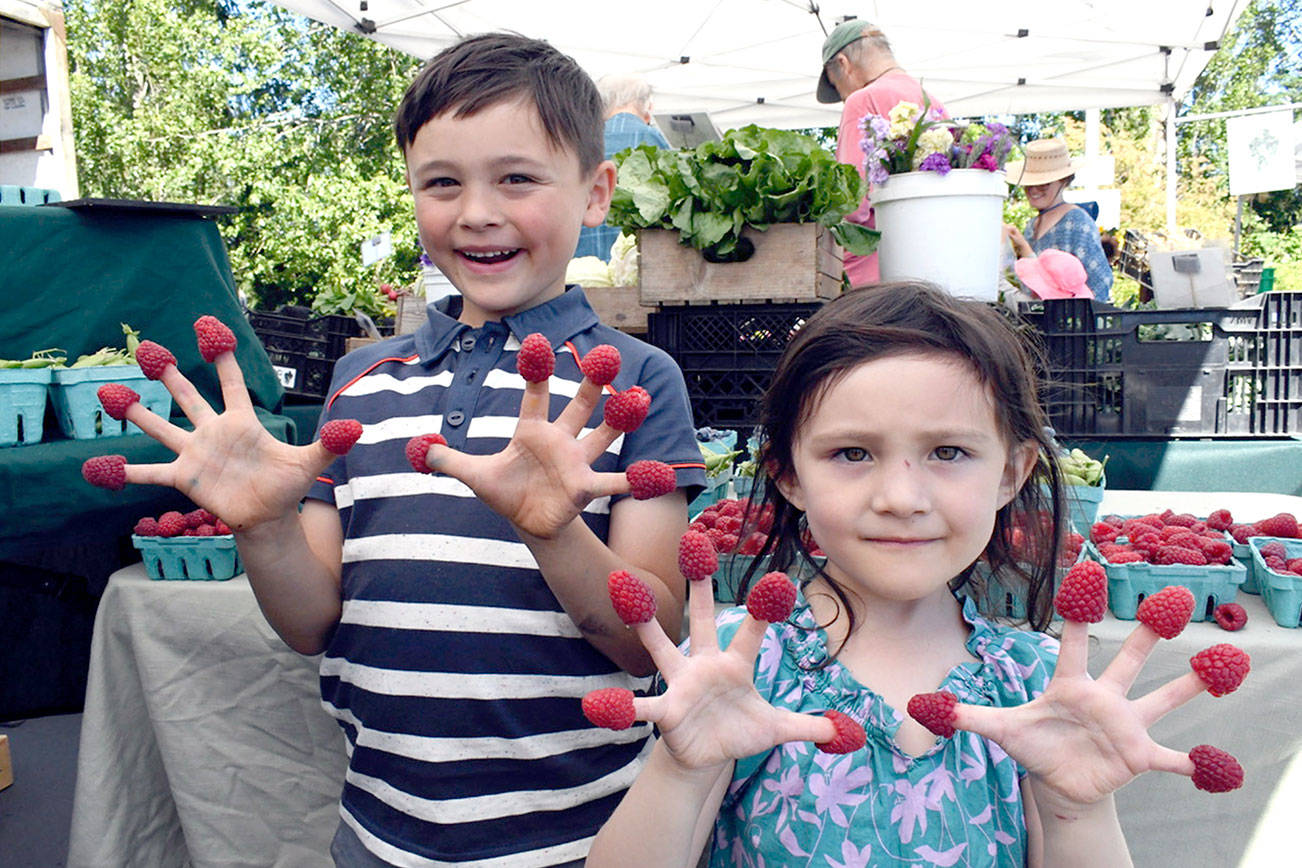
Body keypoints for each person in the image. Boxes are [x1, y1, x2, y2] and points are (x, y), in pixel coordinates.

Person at [93, 33, 706, 867]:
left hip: (583, 837)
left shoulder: (630, 384)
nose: (476, 211)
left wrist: (557, 531)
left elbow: (650, 640)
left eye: (517, 178)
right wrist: (263, 527)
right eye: (442, 182)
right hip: (380, 834)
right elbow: (310, 623)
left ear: (595, 193)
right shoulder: (360, 382)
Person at [586, 282, 1247, 867]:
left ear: (1011, 473)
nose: (901, 498)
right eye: (852, 453)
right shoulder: (741, 668)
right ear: (787, 475)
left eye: (948, 452)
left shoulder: (1038, 686)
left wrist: (1079, 809)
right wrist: (679, 771)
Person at [817, 18, 947, 287]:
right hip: (931, 267)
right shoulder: (934, 104)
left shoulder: (862, 101)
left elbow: (852, 206)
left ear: (843, 63)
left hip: (875, 277)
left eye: (837, 86)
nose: (843, 97)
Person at [574, 74, 672, 261]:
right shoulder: (653, 139)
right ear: (645, 105)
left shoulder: (582, 140)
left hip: (583, 262)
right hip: (633, 261)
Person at [1003, 138, 1115, 300]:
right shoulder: (1032, 225)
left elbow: (1100, 282)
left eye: (1044, 184)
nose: (1034, 190)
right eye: (1029, 183)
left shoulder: (1077, 222)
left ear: (1063, 181)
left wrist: (1072, 312)